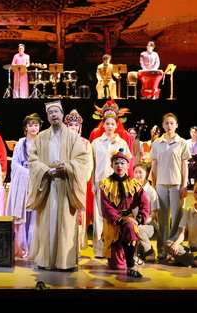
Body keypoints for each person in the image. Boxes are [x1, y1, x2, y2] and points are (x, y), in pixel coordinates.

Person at [27, 101, 89, 270]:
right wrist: (43, 169)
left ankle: (64, 262)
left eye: (56, 111)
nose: (54, 115)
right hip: (47, 184)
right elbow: (32, 159)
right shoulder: (41, 137)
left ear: (62, 114)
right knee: (46, 222)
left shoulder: (73, 136)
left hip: (65, 184)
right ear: (47, 117)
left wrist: (68, 167)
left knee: (65, 223)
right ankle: (45, 260)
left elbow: (82, 159)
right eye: (50, 113)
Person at [90, 101, 132, 258]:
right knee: (99, 216)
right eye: (107, 123)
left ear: (116, 125)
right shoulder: (96, 143)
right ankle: (99, 249)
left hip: (116, 183)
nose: (109, 126)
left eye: (112, 124)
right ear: (103, 124)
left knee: (114, 215)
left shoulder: (122, 143)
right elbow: (92, 165)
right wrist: (92, 184)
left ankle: (113, 247)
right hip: (100, 182)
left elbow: (127, 164)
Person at [100, 149, 149, 277]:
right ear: (111, 166)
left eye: (122, 163)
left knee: (130, 227)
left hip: (129, 218)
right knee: (116, 265)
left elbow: (144, 203)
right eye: (116, 163)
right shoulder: (105, 184)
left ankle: (131, 265)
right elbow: (106, 207)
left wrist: (138, 219)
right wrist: (120, 220)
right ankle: (129, 258)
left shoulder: (134, 184)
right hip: (113, 221)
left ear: (128, 165)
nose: (119, 166)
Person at [149, 113, 192, 260]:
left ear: (176, 125)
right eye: (166, 123)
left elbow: (184, 165)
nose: (169, 125)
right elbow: (154, 164)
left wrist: (184, 185)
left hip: (176, 184)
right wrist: (153, 184)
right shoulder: (157, 143)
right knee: (162, 217)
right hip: (161, 184)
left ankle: (172, 248)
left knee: (176, 217)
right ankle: (162, 248)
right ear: (163, 125)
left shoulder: (182, 142)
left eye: (172, 123)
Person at [6, 113, 42, 258]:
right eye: (30, 125)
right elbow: (14, 163)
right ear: (25, 127)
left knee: (35, 214)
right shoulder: (21, 143)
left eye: (36, 125)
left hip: (38, 180)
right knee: (23, 214)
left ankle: (34, 247)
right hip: (23, 179)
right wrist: (26, 172)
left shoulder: (43, 142)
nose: (33, 128)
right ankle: (22, 246)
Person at [64, 109, 94, 254]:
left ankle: (76, 246)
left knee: (78, 214)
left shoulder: (86, 144)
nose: (74, 128)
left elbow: (89, 165)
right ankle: (63, 246)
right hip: (63, 181)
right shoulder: (61, 142)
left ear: (80, 127)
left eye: (76, 125)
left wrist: (81, 178)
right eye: (71, 125)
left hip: (79, 182)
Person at [133, 161, 159, 263]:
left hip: (149, 224)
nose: (138, 175)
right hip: (135, 222)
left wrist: (140, 222)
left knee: (139, 228)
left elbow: (153, 215)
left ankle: (149, 251)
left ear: (146, 173)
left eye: (140, 172)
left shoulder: (151, 191)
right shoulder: (131, 189)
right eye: (136, 172)